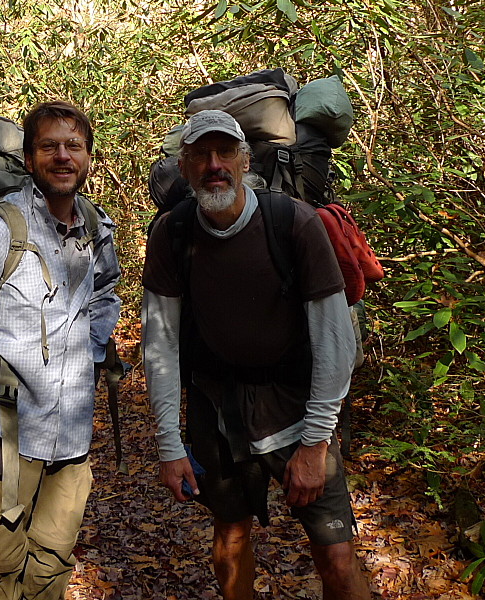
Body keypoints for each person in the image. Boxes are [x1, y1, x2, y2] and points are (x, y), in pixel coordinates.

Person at [141, 110, 370, 599]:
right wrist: (169, 443)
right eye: (201, 155)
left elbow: (334, 338)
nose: (214, 164)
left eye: (226, 153)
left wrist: (315, 443)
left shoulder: (292, 222)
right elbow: (159, 341)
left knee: (336, 554)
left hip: (295, 406)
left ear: (245, 161)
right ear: (183, 167)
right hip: (217, 409)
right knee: (230, 536)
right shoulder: (172, 233)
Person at [0, 100, 121, 600]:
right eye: (49, 146)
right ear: (29, 157)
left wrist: (96, 345)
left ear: (88, 157)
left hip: (73, 434)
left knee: (54, 564)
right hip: (9, 435)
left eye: (73, 146)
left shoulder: (97, 230)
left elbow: (107, 291)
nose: (63, 156)